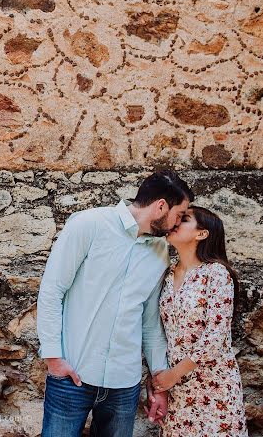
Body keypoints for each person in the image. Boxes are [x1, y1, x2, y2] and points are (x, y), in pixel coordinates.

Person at [36, 170, 194, 437]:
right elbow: (52, 290)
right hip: (72, 376)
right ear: (161, 206)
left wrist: (159, 381)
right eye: (179, 215)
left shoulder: (160, 251)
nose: (177, 224)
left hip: (125, 384)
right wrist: (54, 358)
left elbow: (150, 320)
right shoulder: (89, 224)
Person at [153, 206, 248, 436]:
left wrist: (173, 374)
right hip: (179, 391)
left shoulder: (216, 274)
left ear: (202, 234)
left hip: (214, 386)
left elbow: (214, 338)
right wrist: (161, 380)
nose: (174, 223)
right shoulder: (166, 275)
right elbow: (160, 330)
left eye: (184, 219)